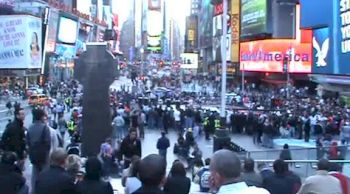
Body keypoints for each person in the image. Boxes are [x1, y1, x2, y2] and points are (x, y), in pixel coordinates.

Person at [26, 108, 51, 193]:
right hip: (44, 155)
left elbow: (28, 142)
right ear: (41, 116)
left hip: (33, 155)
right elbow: (48, 143)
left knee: (34, 175)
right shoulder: (45, 127)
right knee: (44, 175)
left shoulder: (30, 128)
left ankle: (34, 191)